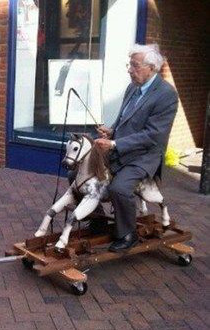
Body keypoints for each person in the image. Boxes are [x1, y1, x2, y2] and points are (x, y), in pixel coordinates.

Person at [94, 44, 178, 252]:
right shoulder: (133, 87)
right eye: (129, 65)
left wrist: (114, 143)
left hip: (144, 156)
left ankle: (128, 234)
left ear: (152, 67)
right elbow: (125, 118)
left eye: (135, 65)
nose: (129, 70)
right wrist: (112, 131)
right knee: (78, 174)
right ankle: (98, 222)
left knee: (119, 188)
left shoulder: (166, 94)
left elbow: (153, 135)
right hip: (120, 149)